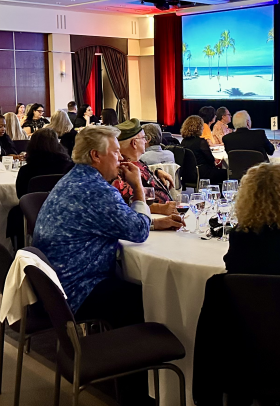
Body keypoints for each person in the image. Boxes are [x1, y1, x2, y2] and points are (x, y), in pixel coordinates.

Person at [33, 126, 182, 406]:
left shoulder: (74, 179)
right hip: (77, 289)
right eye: (115, 152)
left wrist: (151, 221)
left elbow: (118, 220)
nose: (121, 158)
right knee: (145, 296)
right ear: (96, 156)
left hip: (57, 285)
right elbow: (137, 231)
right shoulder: (97, 190)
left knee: (130, 287)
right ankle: (137, 387)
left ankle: (132, 379)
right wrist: (138, 188)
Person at [112, 118, 176, 211]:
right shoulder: (124, 169)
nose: (146, 141)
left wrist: (156, 172)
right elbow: (130, 203)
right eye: (144, 138)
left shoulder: (136, 162)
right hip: (155, 217)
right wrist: (160, 208)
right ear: (134, 143)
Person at [14, 128, 73, 198]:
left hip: (33, 204)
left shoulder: (26, 171)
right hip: (60, 202)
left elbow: (21, 195)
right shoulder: (68, 167)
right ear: (57, 144)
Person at [181, 115, 227, 185]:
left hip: (188, 174)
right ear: (199, 128)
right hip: (202, 173)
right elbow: (211, 160)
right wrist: (217, 162)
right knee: (227, 173)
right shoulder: (201, 142)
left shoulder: (183, 142)